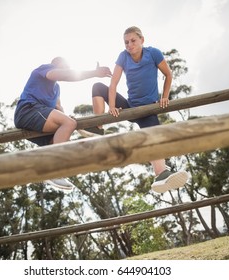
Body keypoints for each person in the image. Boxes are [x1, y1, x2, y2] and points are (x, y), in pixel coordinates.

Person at [91, 26, 189, 193]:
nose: (129, 45)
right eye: (126, 42)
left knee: (153, 135)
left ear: (142, 40)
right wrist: (113, 107)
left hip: (148, 109)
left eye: (133, 41)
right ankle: (97, 127)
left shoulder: (153, 54)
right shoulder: (123, 57)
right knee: (98, 87)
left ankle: (160, 174)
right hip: (130, 107)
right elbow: (113, 84)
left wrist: (165, 97)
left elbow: (169, 74)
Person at [14, 57, 112, 191]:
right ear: (56, 64)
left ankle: (47, 169)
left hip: (40, 119)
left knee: (60, 137)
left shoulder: (56, 88)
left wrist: (67, 119)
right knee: (68, 124)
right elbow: (64, 75)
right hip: (28, 111)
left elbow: (58, 108)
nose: (67, 69)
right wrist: (94, 73)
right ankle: (54, 171)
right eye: (64, 66)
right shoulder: (44, 68)